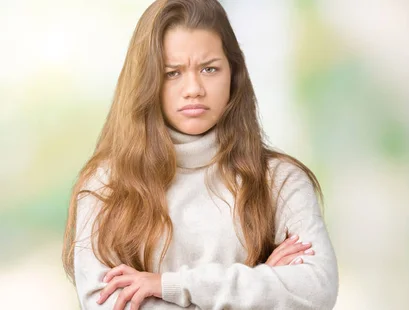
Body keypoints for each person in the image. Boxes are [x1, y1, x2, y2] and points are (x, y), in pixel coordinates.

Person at [61, 0, 339, 309]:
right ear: (146, 80)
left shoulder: (280, 180)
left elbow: (316, 289)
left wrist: (167, 286)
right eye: (172, 73)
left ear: (233, 75)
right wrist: (260, 283)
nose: (193, 88)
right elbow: (108, 304)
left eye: (209, 69)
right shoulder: (106, 185)